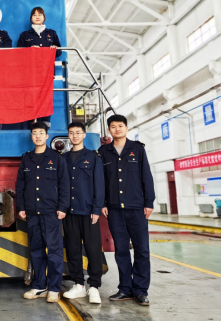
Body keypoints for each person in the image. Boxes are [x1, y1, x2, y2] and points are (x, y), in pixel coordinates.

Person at [98, 114, 155, 306]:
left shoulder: (137, 149)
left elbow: (146, 176)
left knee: (142, 250)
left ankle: (141, 290)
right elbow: (101, 181)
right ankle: (125, 289)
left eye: (120, 126)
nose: (117, 129)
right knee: (121, 250)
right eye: (113, 126)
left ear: (126, 128)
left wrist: (149, 202)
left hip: (136, 208)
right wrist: (103, 203)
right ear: (109, 130)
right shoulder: (104, 152)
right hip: (114, 209)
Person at [16, 122, 70, 303]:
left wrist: (62, 207)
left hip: (51, 212)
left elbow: (64, 185)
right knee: (36, 250)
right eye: (34, 133)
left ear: (47, 136)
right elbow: (20, 185)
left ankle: (54, 289)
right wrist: (21, 207)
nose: (38, 136)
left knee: (54, 251)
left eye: (41, 133)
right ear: (31, 137)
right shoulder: (27, 159)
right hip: (32, 212)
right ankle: (39, 286)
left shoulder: (56, 158)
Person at [62, 122, 105, 304]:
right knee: (73, 249)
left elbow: (99, 184)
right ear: (69, 135)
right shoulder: (63, 158)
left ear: (84, 135)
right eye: (72, 133)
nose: (75, 136)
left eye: (78, 132)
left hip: (88, 211)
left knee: (93, 249)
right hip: (69, 211)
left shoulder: (93, 157)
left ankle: (94, 286)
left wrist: (96, 209)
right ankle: (78, 285)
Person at [17, 7, 61, 128]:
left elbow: (59, 52)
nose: (37, 17)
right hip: (30, 73)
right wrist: (29, 50)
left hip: (47, 73)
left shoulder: (52, 33)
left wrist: (53, 49)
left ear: (44, 17)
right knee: (31, 98)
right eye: (34, 15)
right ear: (31, 18)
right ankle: (32, 123)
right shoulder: (25, 35)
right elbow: (18, 54)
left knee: (46, 97)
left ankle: (45, 123)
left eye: (40, 14)